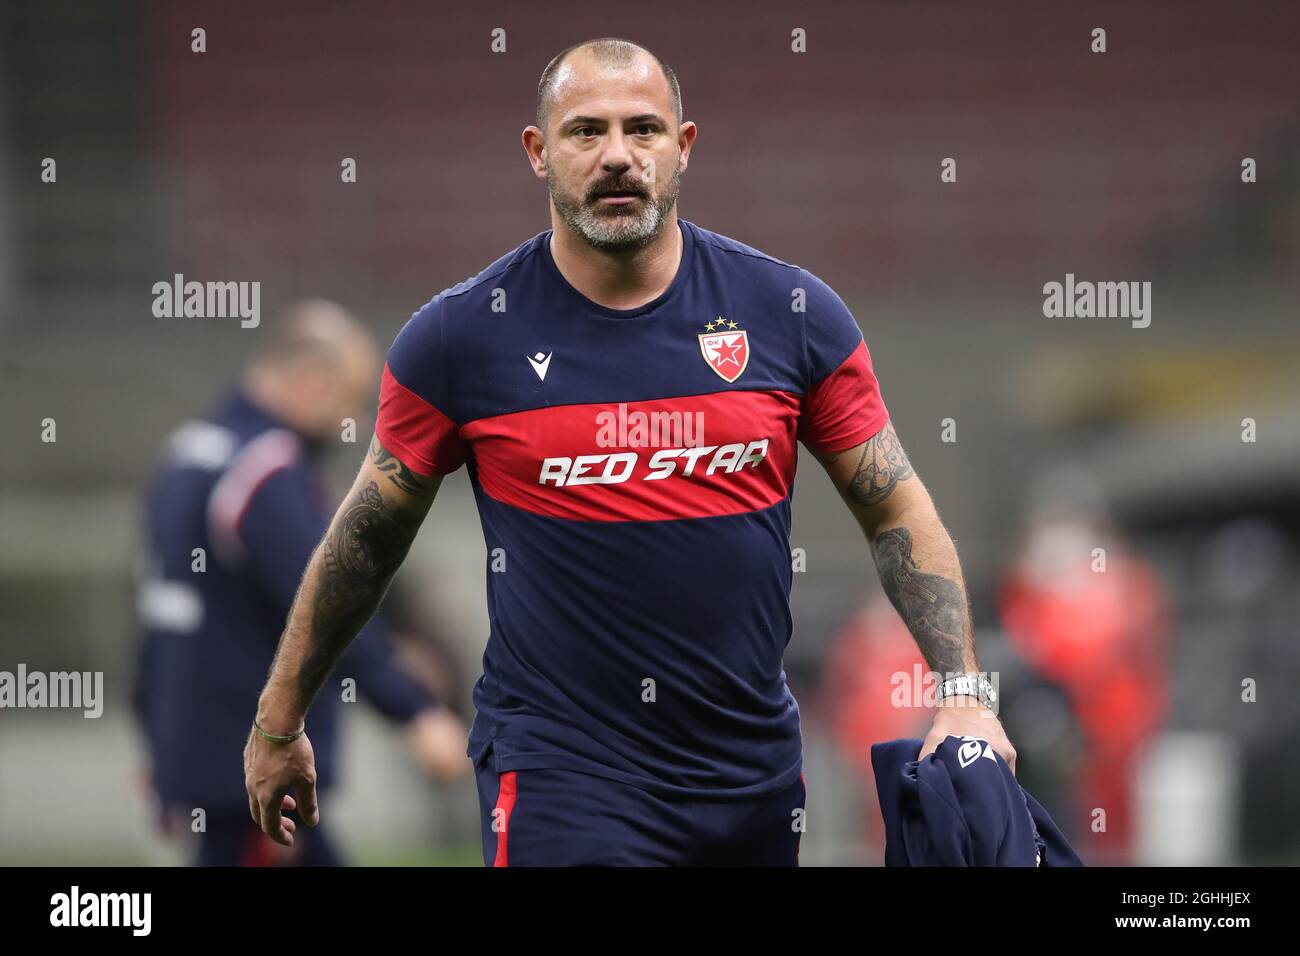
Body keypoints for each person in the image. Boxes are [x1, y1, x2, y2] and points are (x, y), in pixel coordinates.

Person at [244, 38, 1015, 866]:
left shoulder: (791, 314)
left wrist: (965, 694)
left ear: (682, 147)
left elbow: (895, 506)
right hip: (560, 774)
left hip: (750, 778)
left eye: (643, 129)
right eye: (585, 132)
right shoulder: (459, 340)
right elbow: (365, 538)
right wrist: (279, 719)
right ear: (539, 154)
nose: (617, 155)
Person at [135, 299, 469, 866]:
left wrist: (154, 731)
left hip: (205, 754)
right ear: (313, 380)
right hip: (253, 766)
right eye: (352, 395)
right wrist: (414, 711)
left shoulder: (188, 454)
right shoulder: (265, 472)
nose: (359, 419)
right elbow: (329, 605)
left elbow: (159, 614)